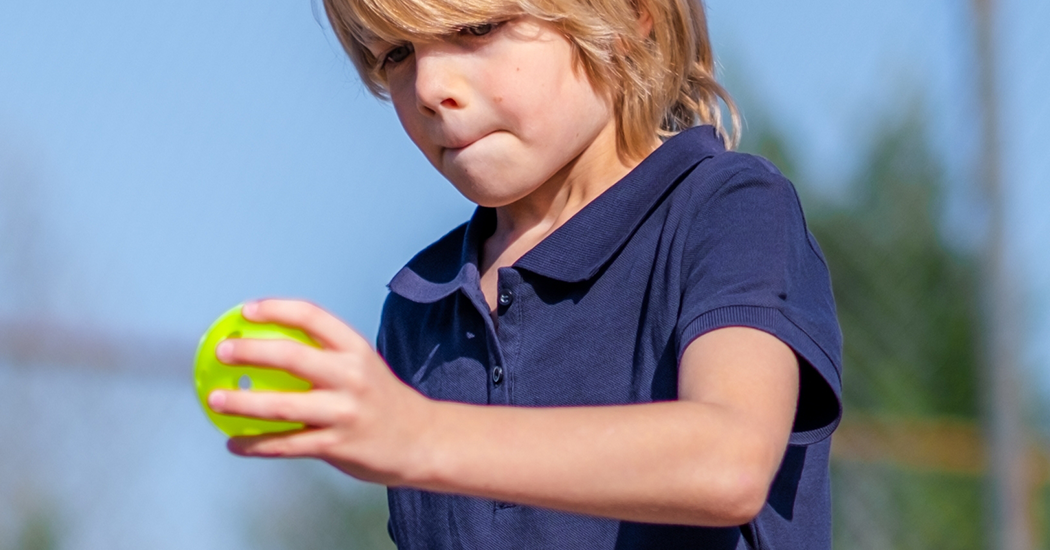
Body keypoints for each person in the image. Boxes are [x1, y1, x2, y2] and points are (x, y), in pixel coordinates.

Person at [205, 0, 842, 547]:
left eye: (475, 28)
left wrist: (419, 434)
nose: (429, 87)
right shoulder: (416, 311)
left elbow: (728, 461)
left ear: (630, 16)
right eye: (396, 52)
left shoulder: (726, 208)